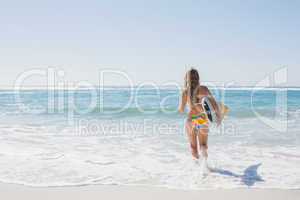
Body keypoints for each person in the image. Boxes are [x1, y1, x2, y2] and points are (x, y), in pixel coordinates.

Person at [179, 68, 221, 160]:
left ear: (187, 79)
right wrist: (218, 117)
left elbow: (181, 110)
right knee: (203, 145)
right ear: (197, 78)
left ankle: (198, 169)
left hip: (191, 120)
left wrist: (187, 107)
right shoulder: (204, 89)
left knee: (193, 147)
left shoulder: (185, 92)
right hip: (202, 119)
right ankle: (204, 167)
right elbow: (214, 104)